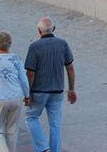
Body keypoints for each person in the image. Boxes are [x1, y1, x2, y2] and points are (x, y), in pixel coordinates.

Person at [24, 17, 76, 152]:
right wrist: (71, 89)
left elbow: (30, 73)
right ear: (54, 29)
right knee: (55, 125)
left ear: (38, 31)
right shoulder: (62, 44)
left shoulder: (34, 47)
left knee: (31, 117)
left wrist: (27, 93)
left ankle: (42, 148)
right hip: (57, 90)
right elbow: (70, 67)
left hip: (39, 91)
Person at [0, 31, 30, 152]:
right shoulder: (16, 58)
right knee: (12, 131)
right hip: (16, 96)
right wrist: (27, 95)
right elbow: (24, 80)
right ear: (10, 43)